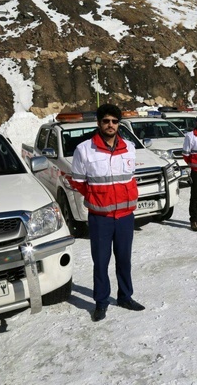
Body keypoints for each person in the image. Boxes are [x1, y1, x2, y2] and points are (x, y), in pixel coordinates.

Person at [70, 103, 144, 322]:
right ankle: (101, 302)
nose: (110, 125)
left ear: (118, 124)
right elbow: (78, 181)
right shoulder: (84, 149)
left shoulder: (129, 146)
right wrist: (96, 198)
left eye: (114, 121)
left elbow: (130, 177)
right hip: (100, 218)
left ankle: (125, 296)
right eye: (106, 121)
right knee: (101, 262)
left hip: (125, 216)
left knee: (124, 259)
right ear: (99, 123)